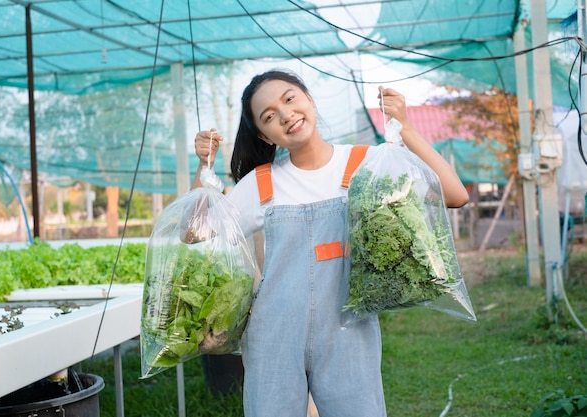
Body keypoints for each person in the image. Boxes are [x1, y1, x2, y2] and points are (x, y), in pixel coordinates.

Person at [192, 69, 469, 417]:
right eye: (269, 116)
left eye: (289, 99)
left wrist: (406, 128)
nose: (286, 115)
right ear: (264, 136)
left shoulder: (366, 164)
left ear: (308, 97)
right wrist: (203, 168)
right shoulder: (261, 183)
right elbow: (196, 233)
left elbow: (455, 195)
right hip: (273, 334)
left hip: (348, 329)